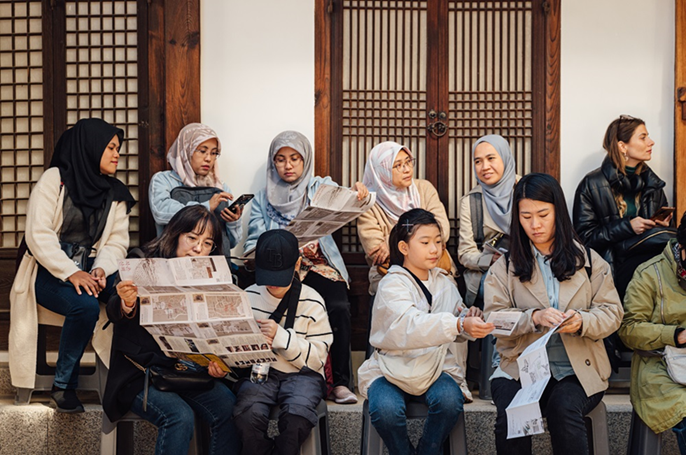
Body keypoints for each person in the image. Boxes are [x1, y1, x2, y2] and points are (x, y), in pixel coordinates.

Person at [485, 173, 623, 455]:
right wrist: (532, 318)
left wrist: (581, 321)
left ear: (558, 211)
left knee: (564, 408)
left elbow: (612, 313)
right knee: (513, 414)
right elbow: (493, 319)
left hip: (577, 369)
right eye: (525, 216)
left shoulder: (588, 261)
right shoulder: (506, 265)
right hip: (519, 369)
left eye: (543, 214)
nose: (534, 225)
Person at [9, 118, 135, 412]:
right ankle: (63, 385)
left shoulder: (115, 193)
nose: (117, 154)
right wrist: (71, 271)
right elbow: (37, 235)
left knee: (127, 299)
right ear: (90, 147)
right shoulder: (55, 180)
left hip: (90, 268)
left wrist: (101, 268)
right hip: (47, 270)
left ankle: (128, 381)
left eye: (118, 148)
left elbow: (117, 242)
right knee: (85, 307)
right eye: (111, 148)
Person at [103, 205, 239, 455]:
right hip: (141, 373)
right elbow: (114, 310)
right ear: (175, 233)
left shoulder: (210, 275)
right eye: (192, 238)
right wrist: (127, 301)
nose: (199, 249)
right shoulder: (141, 260)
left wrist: (217, 361)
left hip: (188, 371)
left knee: (230, 409)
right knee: (180, 416)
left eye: (208, 243)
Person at [244, 130, 368, 404]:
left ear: (305, 160)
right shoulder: (262, 200)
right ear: (272, 163)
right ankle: (257, 374)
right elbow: (252, 241)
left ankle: (341, 383)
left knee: (338, 305)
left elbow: (344, 198)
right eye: (280, 159)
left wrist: (357, 193)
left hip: (318, 265)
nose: (288, 166)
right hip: (283, 270)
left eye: (295, 158)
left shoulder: (318, 187)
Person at [357, 208, 494, 455]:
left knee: (450, 402)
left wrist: (468, 318)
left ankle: (428, 450)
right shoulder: (391, 284)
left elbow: (456, 321)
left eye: (439, 242)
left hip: (435, 366)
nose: (435, 249)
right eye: (426, 242)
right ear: (404, 248)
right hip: (391, 368)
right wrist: (458, 325)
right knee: (385, 410)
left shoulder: (444, 282)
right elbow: (409, 325)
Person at [235, 229, 332, 455]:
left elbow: (317, 359)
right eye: (267, 276)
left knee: (297, 416)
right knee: (247, 414)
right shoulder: (249, 297)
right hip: (260, 374)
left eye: (280, 276)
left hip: (302, 375)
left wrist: (281, 338)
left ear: (298, 264)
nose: (273, 284)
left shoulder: (313, 301)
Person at [573, 115, 672, 299]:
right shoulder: (591, 184)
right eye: (643, 137)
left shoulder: (653, 183)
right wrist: (628, 226)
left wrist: (660, 227)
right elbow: (583, 240)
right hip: (611, 269)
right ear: (622, 146)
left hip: (653, 268)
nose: (651, 142)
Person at [619, 210, 686, 453]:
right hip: (659, 367)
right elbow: (628, 329)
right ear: (682, 246)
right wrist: (676, 335)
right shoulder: (649, 273)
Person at [357, 141, 452, 295]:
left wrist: (392, 241)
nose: (407, 169)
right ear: (382, 171)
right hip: (390, 273)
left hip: (434, 268)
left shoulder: (424, 189)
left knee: (445, 294)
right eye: (398, 165)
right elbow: (375, 250)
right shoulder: (369, 202)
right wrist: (423, 240)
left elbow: (443, 231)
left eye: (408, 162)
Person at [149, 123, 243, 255]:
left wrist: (234, 221)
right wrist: (205, 207)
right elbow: (161, 211)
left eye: (214, 153)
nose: (208, 158)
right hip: (173, 264)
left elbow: (230, 243)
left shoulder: (220, 187)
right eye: (202, 151)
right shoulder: (163, 180)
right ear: (186, 149)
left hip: (215, 268)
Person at [458, 134, 517, 308]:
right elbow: (465, 252)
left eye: (491, 158)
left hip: (527, 269)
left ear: (505, 157)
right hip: (488, 275)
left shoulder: (525, 191)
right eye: (478, 161)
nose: (485, 167)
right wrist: (490, 260)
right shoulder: (471, 201)